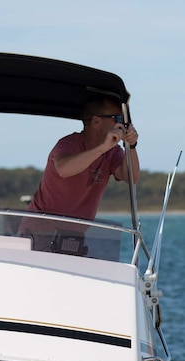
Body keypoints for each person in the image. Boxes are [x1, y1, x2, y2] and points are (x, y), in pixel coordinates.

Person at [20, 94, 140, 250]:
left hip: (73, 236)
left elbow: (131, 177)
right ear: (96, 121)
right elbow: (63, 169)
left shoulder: (113, 152)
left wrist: (131, 145)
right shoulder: (69, 144)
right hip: (38, 234)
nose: (122, 124)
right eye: (117, 118)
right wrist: (102, 148)